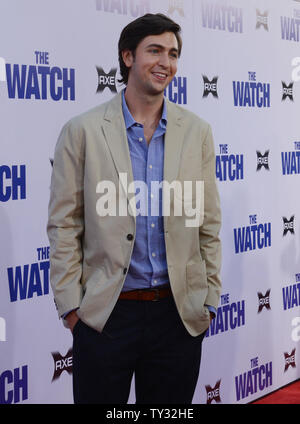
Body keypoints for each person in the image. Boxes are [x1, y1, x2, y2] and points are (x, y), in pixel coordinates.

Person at [47, 13, 222, 404]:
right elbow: (63, 225)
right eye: (154, 51)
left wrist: (209, 299)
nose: (166, 63)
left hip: (178, 315)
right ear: (128, 57)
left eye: (173, 54)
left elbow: (208, 223)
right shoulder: (83, 130)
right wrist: (72, 309)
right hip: (107, 315)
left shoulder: (198, 132)